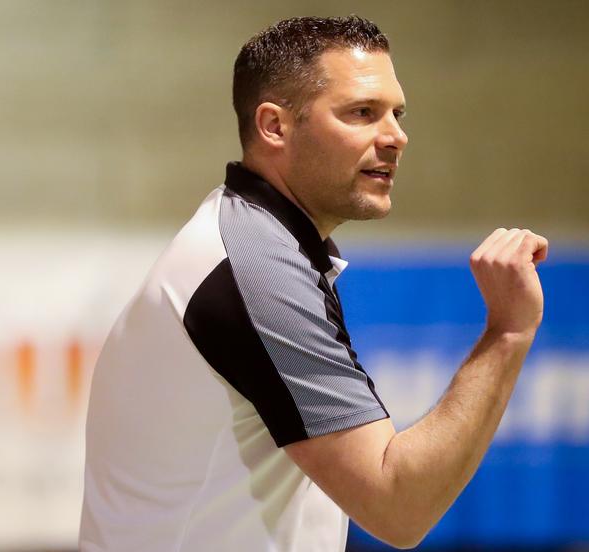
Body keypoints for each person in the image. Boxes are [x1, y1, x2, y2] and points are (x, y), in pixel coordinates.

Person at [79, 15, 548, 552]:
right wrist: (508, 333)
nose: (397, 136)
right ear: (275, 126)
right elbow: (400, 505)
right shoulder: (255, 268)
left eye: (397, 113)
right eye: (362, 113)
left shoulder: (258, 242)